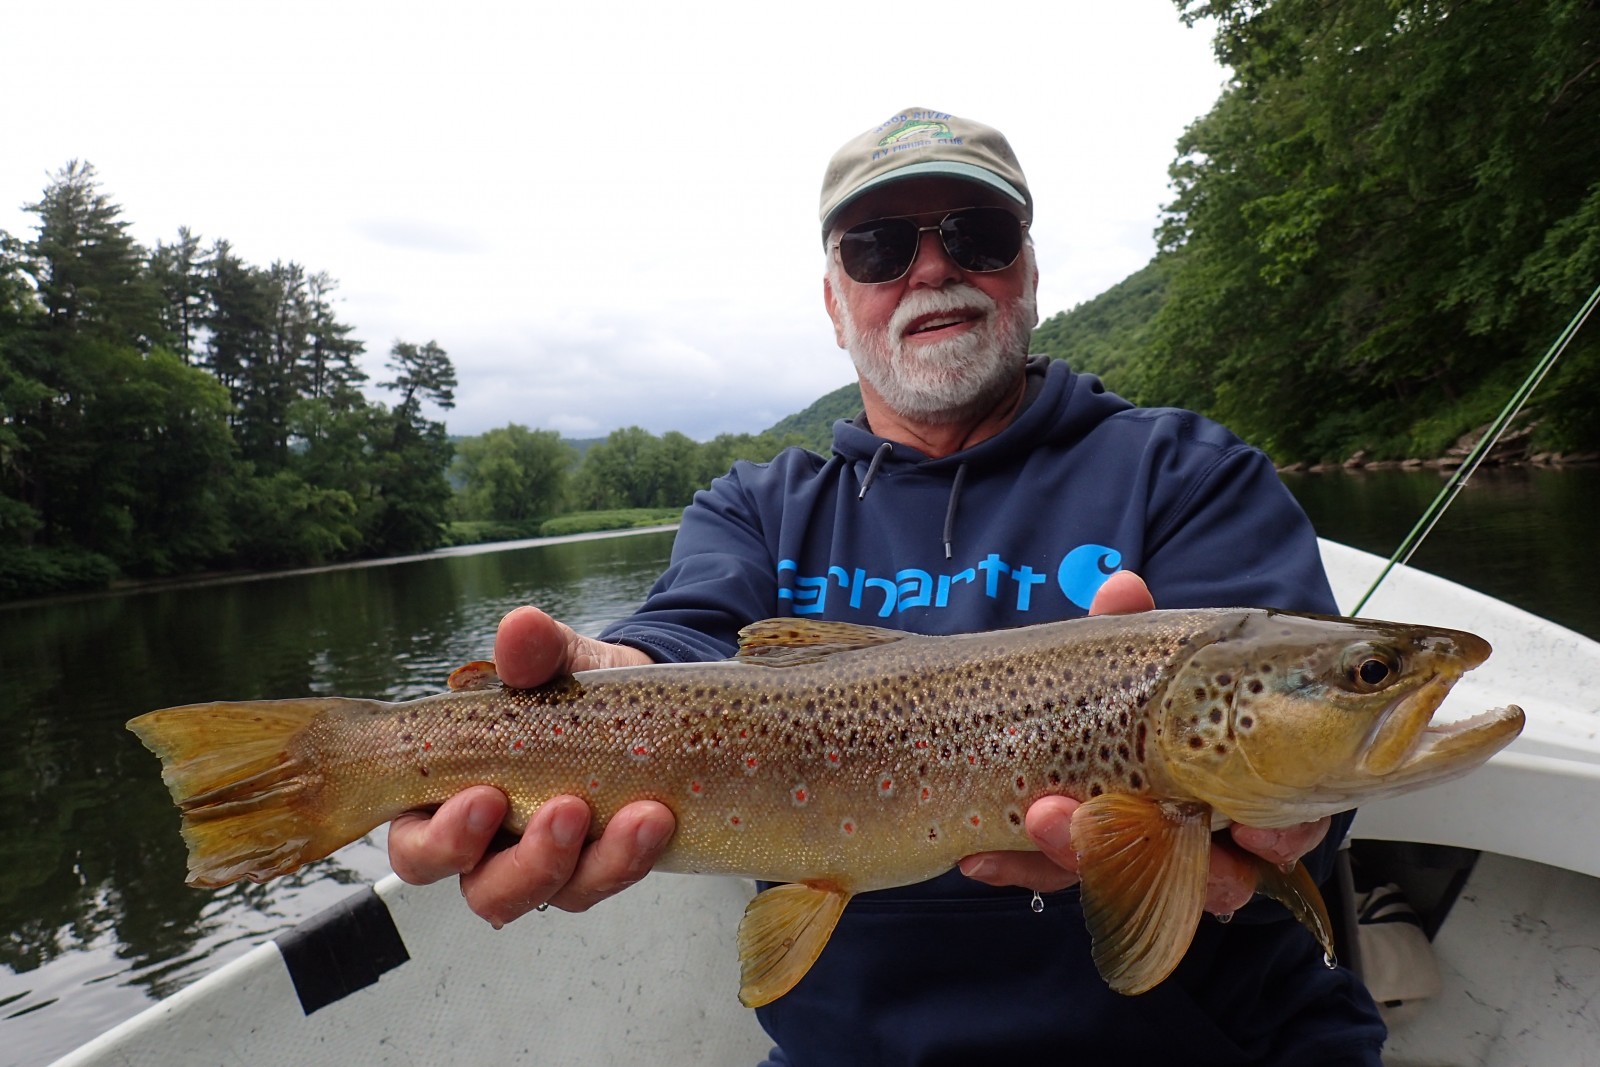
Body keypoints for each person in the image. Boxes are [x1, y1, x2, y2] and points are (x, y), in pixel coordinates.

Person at [388, 107, 1387, 1065]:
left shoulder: (1186, 472)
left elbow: (1298, 764)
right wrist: (603, 676)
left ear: (1027, 270)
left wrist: (1275, 824)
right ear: (834, 301)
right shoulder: (758, 508)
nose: (933, 266)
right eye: (877, 248)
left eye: (978, 234)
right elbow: (678, 642)